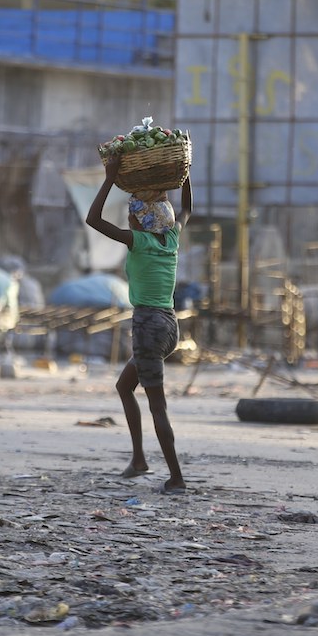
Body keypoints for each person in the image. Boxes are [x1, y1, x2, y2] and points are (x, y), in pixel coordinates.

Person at [86, 157, 192, 494]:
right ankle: (138, 460)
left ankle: (176, 477)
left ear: (143, 222)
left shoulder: (139, 241)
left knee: (157, 405)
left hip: (148, 325)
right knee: (124, 387)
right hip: (169, 325)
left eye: (132, 215)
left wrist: (109, 178)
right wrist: (184, 174)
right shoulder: (171, 238)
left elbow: (92, 219)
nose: (129, 218)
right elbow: (186, 208)